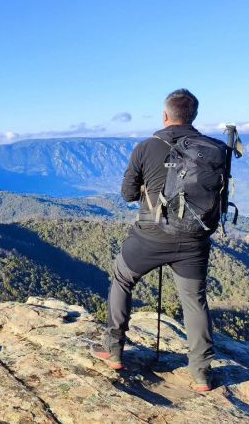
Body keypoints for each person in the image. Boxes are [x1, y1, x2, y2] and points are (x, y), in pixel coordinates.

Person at [91, 89, 216, 392]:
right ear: (193, 116)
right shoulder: (213, 148)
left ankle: (114, 349)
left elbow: (128, 194)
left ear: (164, 115)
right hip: (194, 240)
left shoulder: (147, 147)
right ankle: (200, 372)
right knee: (194, 300)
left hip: (150, 236)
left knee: (122, 277)